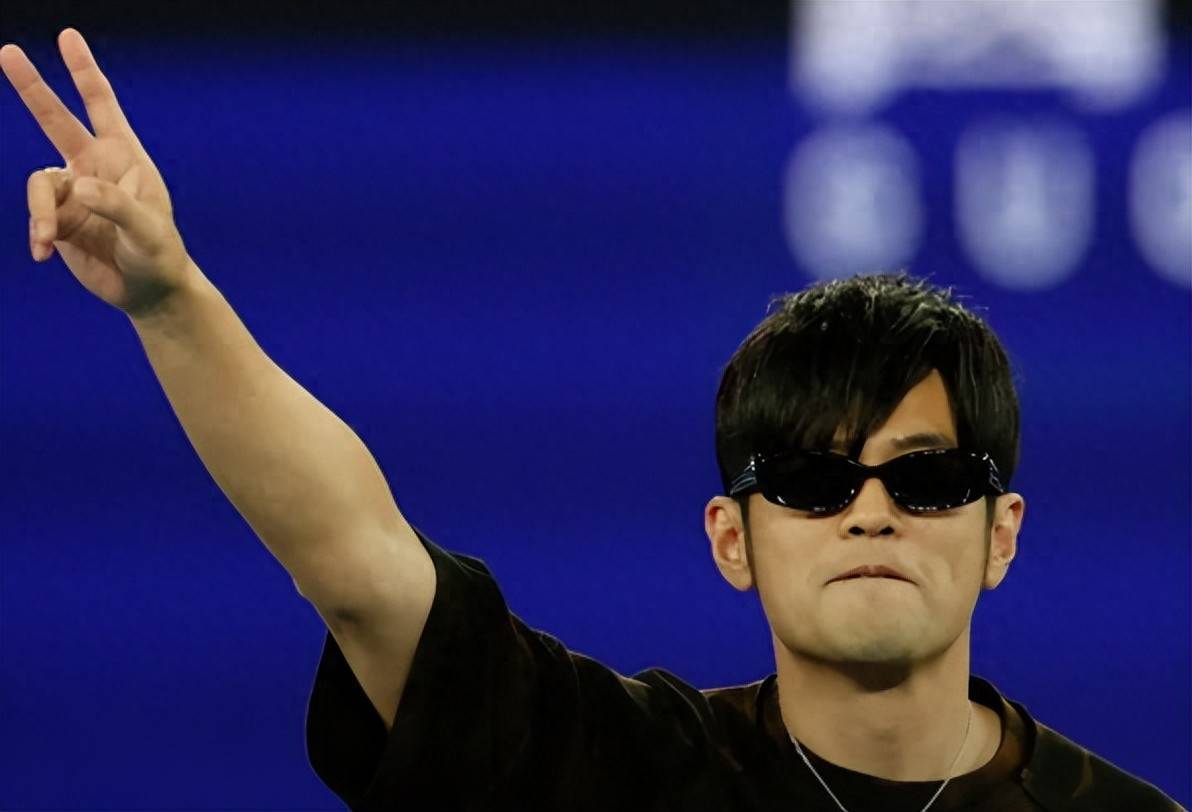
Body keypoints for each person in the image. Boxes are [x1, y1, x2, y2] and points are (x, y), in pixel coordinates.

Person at [3, 27, 1185, 812]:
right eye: (812, 480)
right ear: (731, 536)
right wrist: (171, 300)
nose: (869, 513)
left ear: (1000, 530)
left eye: (922, 479)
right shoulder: (611, 771)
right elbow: (356, 564)